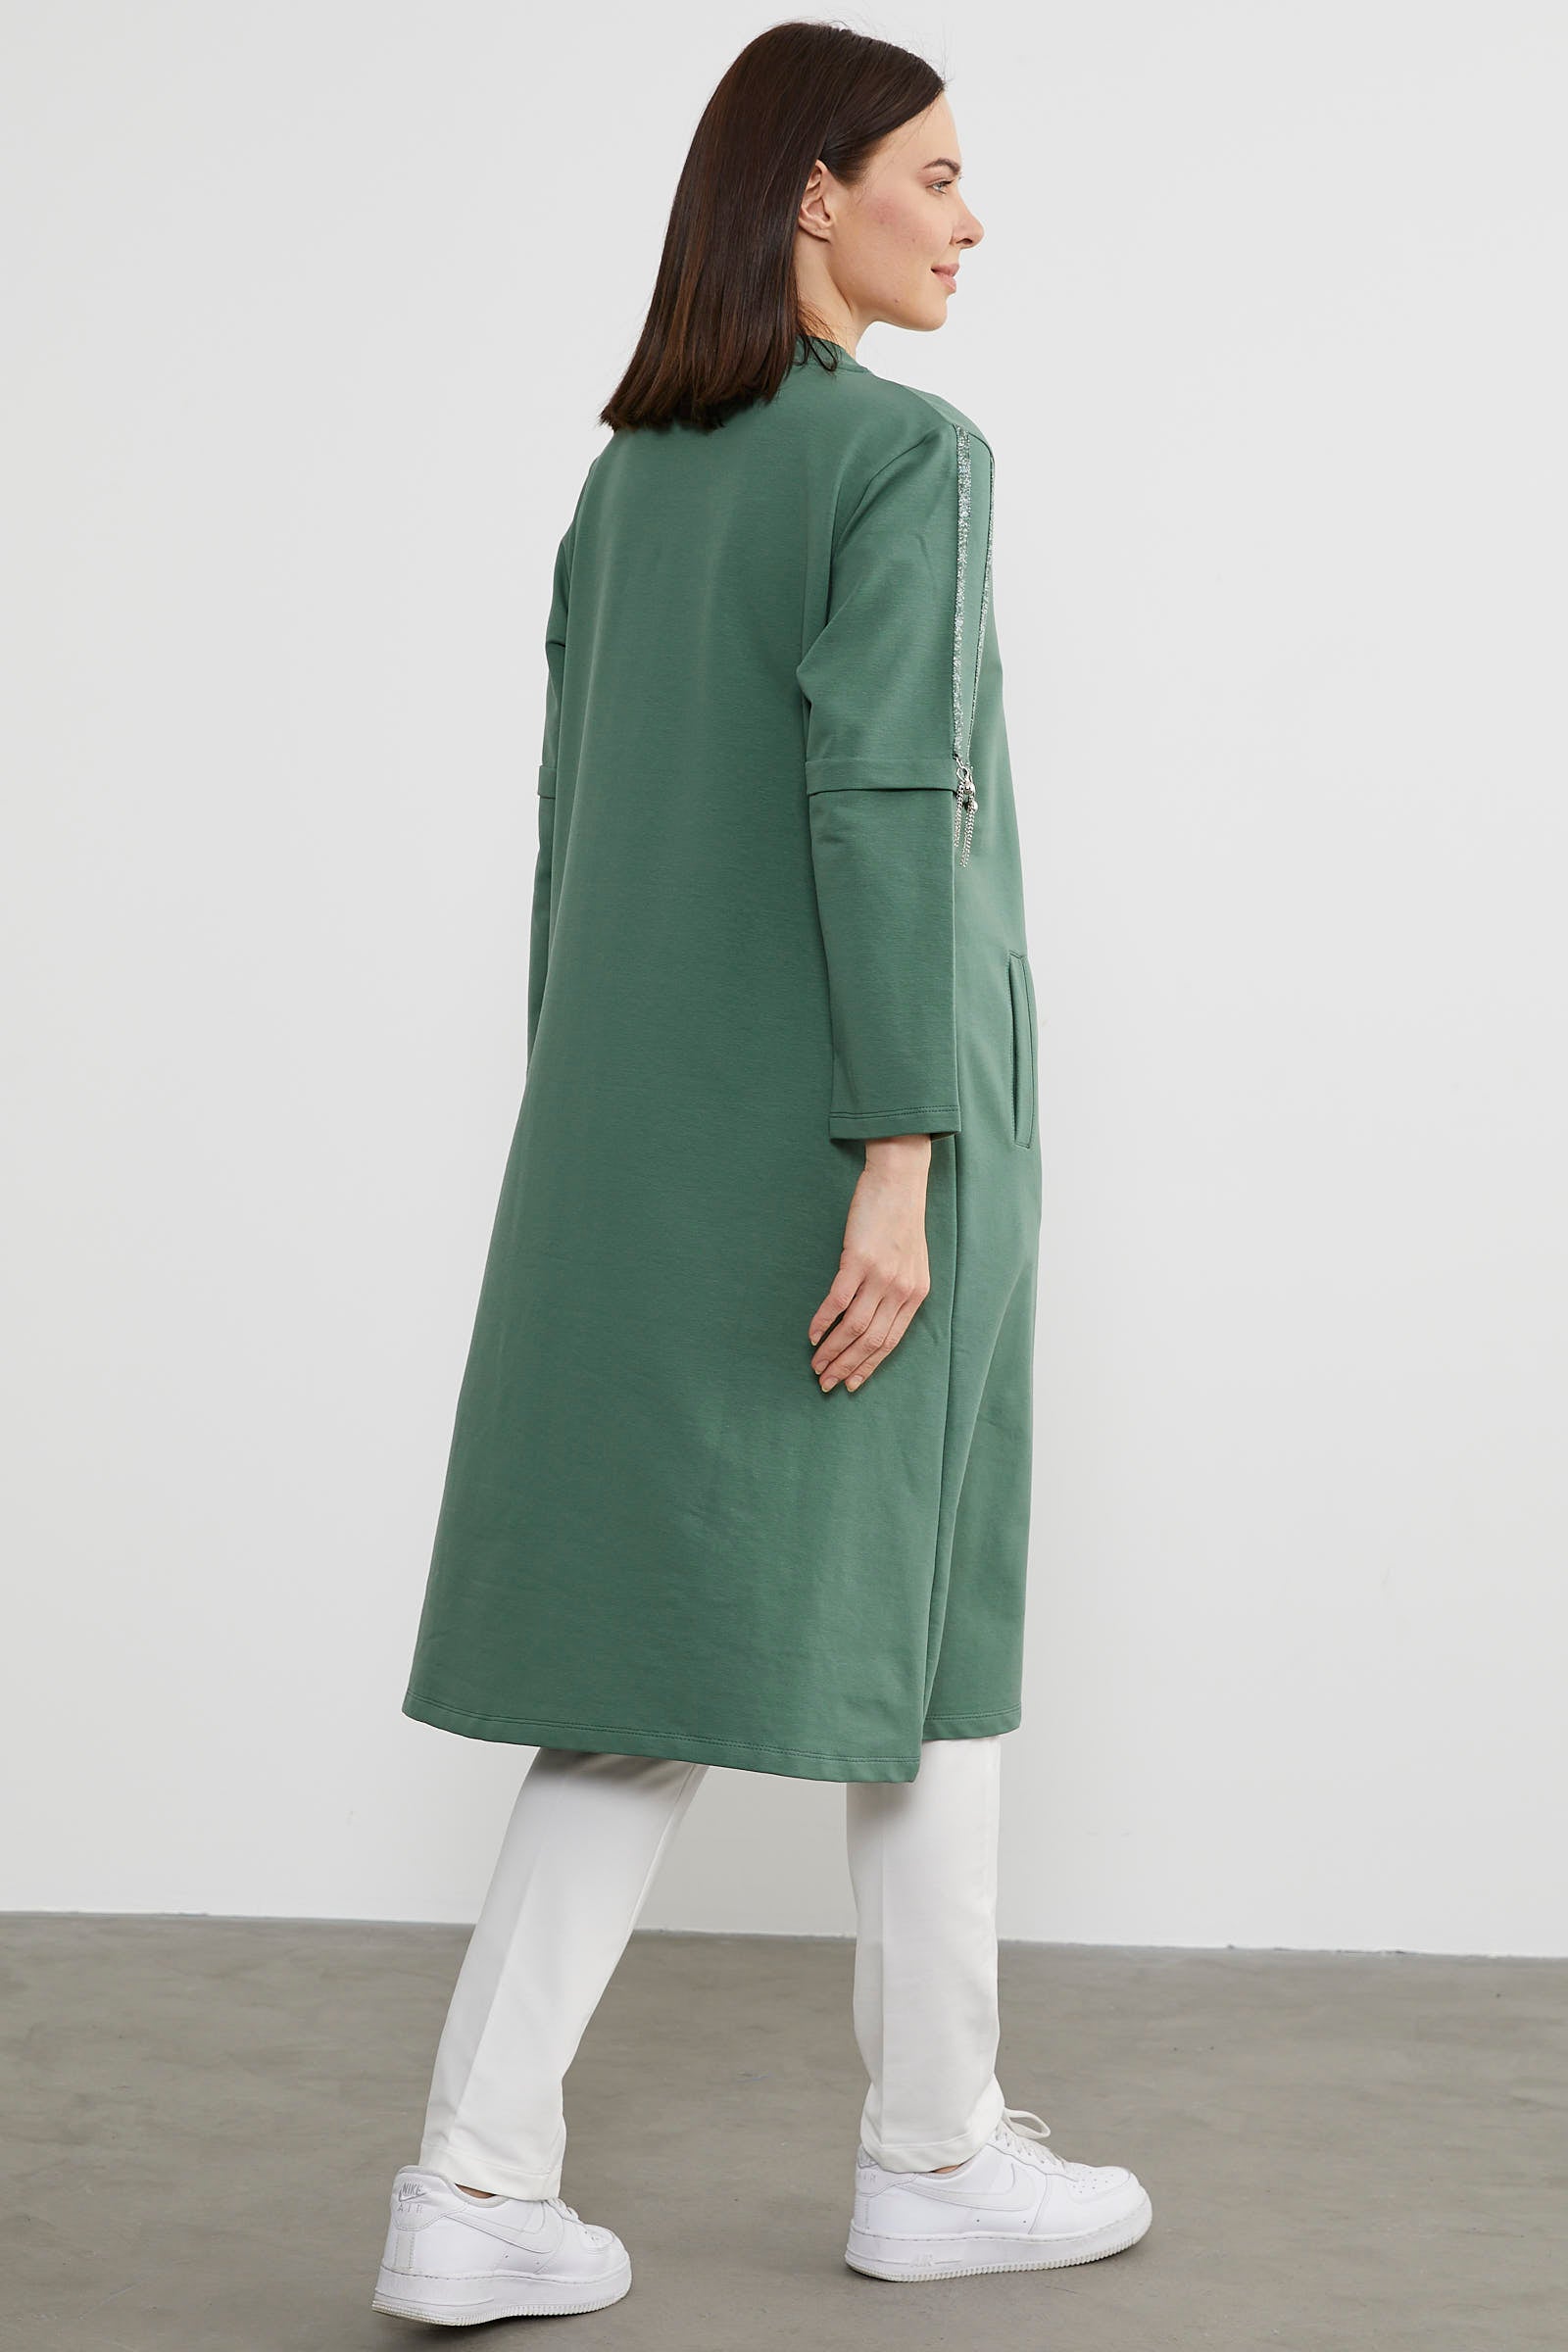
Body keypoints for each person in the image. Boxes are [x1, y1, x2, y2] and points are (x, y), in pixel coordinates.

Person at [372, 21, 1151, 2326]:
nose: (968, 218)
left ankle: (597, 2166)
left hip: (649, 1148)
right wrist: (900, 1159)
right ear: (812, 193)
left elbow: (576, 847)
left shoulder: (627, 485)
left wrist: (603, 1144)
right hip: (857, 1134)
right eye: (934, 173)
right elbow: (885, 806)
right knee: (913, 1632)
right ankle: (877, 2160)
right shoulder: (903, 459)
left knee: (741, 1659)